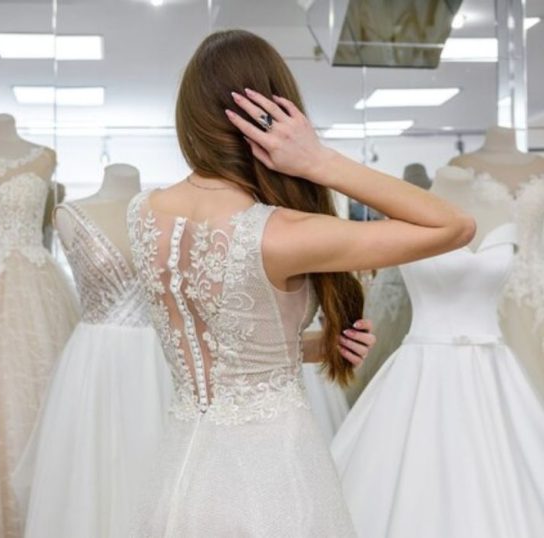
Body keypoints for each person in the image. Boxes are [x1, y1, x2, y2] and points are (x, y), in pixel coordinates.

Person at [127, 29, 475, 536]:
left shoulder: (143, 214)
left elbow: (220, 352)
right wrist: (318, 160)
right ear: (277, 118)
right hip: (269, 473)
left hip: (184, 467)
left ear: (190, 119)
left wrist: (318, 347)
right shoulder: (279, 234)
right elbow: (454, 226)